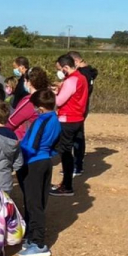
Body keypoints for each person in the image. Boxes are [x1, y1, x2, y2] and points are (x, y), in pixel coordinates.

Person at [15, 90, 61, 256]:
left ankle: (38, 242)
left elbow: (31, 145)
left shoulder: (40, 121)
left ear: (40, 108)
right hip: (46, 161)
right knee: (39, 201)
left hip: (34, 163)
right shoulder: (55, 118)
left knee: (33, 204)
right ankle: (32, 237)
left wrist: (16, 149)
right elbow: (57, 144)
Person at [51, 55, 90, 198]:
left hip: (68, 119)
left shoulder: (71, 80)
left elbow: (60, 101)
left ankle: (67, 185)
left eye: (60, 69)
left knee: (65, 152)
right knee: (68, 150)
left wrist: (50, 96)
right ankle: (65, 183)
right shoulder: (81, 78)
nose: (60, 72)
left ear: (66, 67)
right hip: (78, 118)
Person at [69, 51, 99, 175]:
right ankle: (76, 164)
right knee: (78, 135)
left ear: (76, 61)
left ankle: (77, 165)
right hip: (82, 107)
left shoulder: (83, 74)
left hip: (78, 107)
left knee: (77, 136)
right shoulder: (88, 72)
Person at [7, 66, 51, 140]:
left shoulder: (30, 101)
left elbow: (12, 122)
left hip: (25, 139)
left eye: (25, 80)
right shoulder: (48, 96)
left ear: (30, 82)